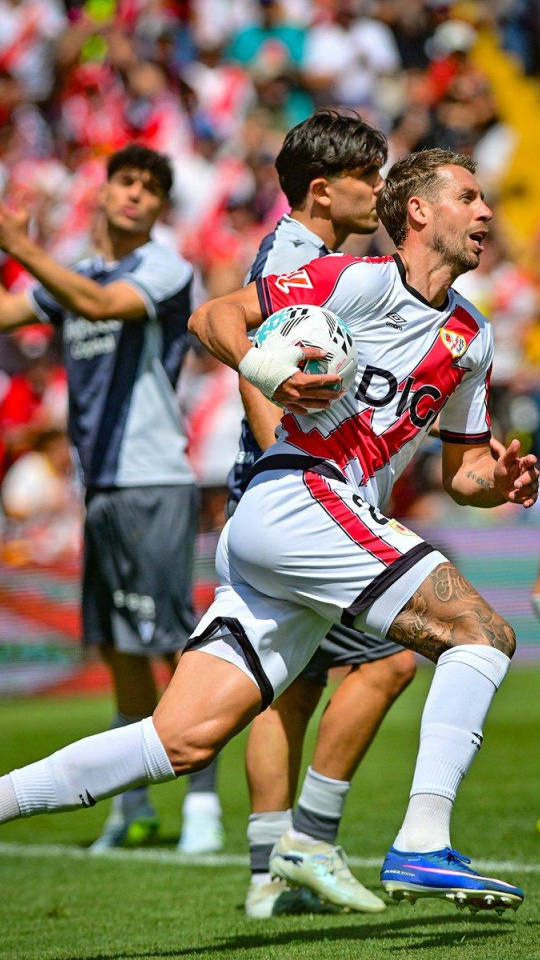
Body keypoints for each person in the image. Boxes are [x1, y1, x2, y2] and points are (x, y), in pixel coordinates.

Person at [1, 148, 537, 918]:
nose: (487, 213)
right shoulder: (354, 281)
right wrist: (269, 372)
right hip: (302, 494)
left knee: (178, 739)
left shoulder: (472, 337)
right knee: (481, 635)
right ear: (419, 212)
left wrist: (503, 483)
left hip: (292, 527)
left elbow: (463, 474)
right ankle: (421, 842)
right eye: (469, 197)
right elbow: (210, 316)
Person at [0, 143, 223, 854]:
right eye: (124, 182)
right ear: (102, 193)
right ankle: (135, 808)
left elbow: (95, 303)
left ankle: (203, 803)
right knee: (122, 648)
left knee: (170, 647)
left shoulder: (162, 268)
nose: (136, 195)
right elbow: (15, 309)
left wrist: (16, 246)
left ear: (160, 207)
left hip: (154, 477)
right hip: (98, 487)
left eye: (150, 189)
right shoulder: (79, 270)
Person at [229, 110, 416, 918]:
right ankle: (312, 838)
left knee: (289, 689)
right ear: (322, 190)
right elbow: (255, 365)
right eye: (369, 177)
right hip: (298, 495)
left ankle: (269, 875)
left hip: (274, 495)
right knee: (392, 658)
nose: (380, 189)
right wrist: (298, 469)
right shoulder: (298, 258)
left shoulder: (316, 254)